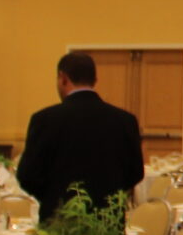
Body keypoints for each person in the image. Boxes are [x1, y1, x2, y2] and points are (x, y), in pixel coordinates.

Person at [16, 52, 144, 212]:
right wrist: (108, 196)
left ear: (63, 78)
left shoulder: (44, 120)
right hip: (107, 217)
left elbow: (27, 176)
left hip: (59, 218)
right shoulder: (125, 121)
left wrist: (53, 198)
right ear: (94, 81)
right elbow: (136, 173)